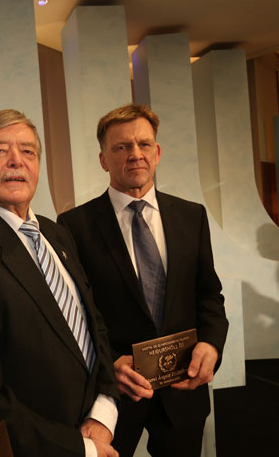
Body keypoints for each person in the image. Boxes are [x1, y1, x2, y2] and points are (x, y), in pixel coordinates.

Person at [0, 109, 120, 457]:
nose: (16, 161)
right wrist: (80, 449)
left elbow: (94, 329)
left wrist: (104, 411)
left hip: (96, 433)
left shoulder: (56, 233)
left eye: (28, 151)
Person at [57, 104, 229, 457]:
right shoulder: (74, 226)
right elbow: (75, 315)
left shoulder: (191, 216)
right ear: (103, 159)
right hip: (115, 394)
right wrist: (109, 364)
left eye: (144, 144)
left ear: (157, 152)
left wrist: (212, 345)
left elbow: (209, 295)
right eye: (122, 147)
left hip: (183, 389)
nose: (135, 154)